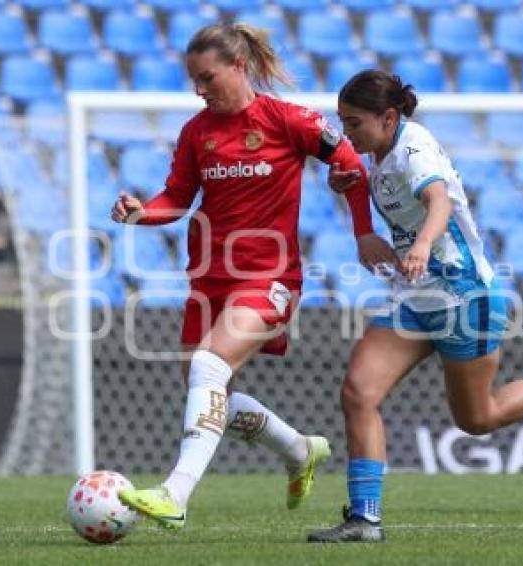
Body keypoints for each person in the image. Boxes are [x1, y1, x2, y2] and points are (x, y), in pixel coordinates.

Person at [307, 70, 523, 543]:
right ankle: (364, 519)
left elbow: (439, 203)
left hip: (463, 295)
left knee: (477, 420)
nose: (347, 134)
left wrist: (421, 245)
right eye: (343, 124)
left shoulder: (415, 150)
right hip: (414, 296)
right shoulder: (382, 154)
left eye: (354, 124)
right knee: (358, 393)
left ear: (388, 118)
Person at [111, 24, 396, 530]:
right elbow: (175, 198)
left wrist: (362, 233)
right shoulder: (197, 133)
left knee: (208, 367)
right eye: (194, 81)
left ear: (238, 66)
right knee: (206, 386)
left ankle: (175, 495)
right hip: (208, 280)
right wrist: (140, 213)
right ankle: (298, 447)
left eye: (207, 78)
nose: (199, 90)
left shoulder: (286, 120)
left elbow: (350, 162)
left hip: (268, 275)